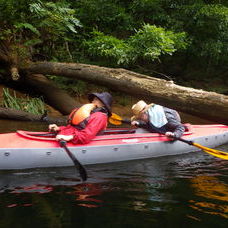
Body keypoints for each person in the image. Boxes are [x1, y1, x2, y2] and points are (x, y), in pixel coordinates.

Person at [48, 92, 113, 144]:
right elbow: (75, 128)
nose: (92, 101)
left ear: (103, 104)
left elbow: (86, 136)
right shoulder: (91, 114)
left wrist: (70, 137)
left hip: (79, 139)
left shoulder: (100, 117)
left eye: (96, 99)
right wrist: (59, 128)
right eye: (93, 99)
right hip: (71, 136)